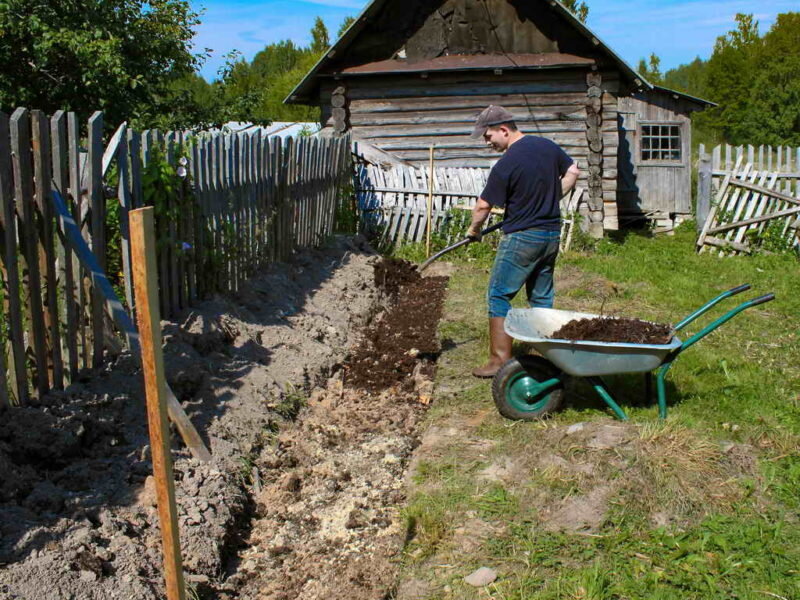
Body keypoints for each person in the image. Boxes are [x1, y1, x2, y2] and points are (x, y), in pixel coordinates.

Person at [467, 105, 580, 377]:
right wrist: (554, 199)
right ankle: (546, 358)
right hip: (551, 234)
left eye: (488, 136)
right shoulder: (547, 146)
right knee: (540, 296)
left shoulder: (506, 164)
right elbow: (573, 171)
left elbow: (483, 206)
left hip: (522, 237)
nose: (487, 142)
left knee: (499, 294)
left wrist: (474, 230)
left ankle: (498, 361)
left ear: (504, 130)